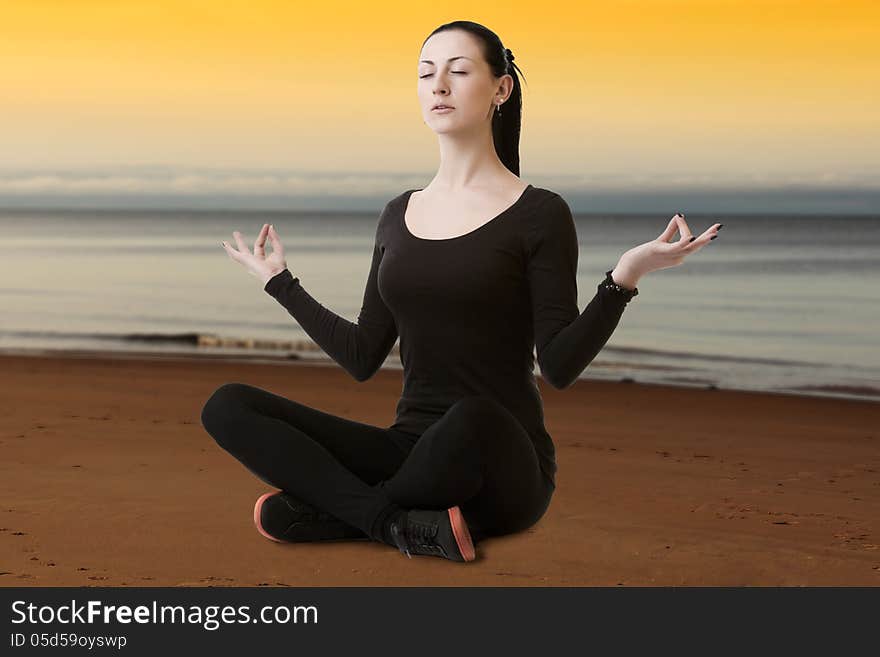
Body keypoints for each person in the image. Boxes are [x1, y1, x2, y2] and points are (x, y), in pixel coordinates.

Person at [201, 20, 722, 564]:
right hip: (409, 455)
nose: (438, 86)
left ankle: (351, 515)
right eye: (427, 74)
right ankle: (396, 524)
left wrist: (624, 277)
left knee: (471, 417)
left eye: (458, 71)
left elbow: (560, 366)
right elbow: (362, 356)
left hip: (501, 464)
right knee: (228, 406)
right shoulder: (398, 214)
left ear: (502, 88)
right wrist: (280, 283)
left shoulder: (540, 214)